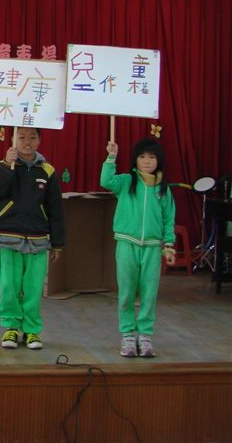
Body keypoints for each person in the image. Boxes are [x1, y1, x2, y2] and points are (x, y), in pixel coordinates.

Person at [0, 127, 65, 350]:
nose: (27, 142)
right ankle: (11, 327)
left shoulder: (47, 170)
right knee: (9, 286)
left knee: (33, 288)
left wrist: (58, 243)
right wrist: (6, 165)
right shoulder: (6, 165)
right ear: (13, 139)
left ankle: (31, 329)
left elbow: (55, 209)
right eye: (21, 137)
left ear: (39, 140)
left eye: (32, 137)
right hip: (9, 236)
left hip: (39, 239)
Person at [101, 138, 176, 358]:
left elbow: (168, 218)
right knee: (126, 292)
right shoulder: (127, 182)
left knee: (149, 294)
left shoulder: (163, 189)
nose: (146, 161)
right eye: (142, 157)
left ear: (159, 161)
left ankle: (145, 336)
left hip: (152, 248)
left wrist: (168, 245)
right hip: (126, 244)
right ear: (135, 160)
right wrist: (111, 157)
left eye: (151, 157)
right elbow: (106, 181)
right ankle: (127, 335)